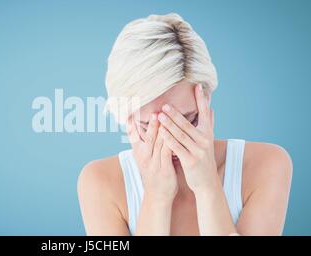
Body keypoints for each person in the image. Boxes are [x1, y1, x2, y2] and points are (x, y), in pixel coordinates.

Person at [77, 13, 292, 236]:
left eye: (188, 122)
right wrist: (157, 197)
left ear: (206, 99)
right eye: (147, 127)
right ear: (125, 116)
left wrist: (207, 187)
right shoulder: (99, 183)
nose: (170, 144)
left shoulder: (266, 166)